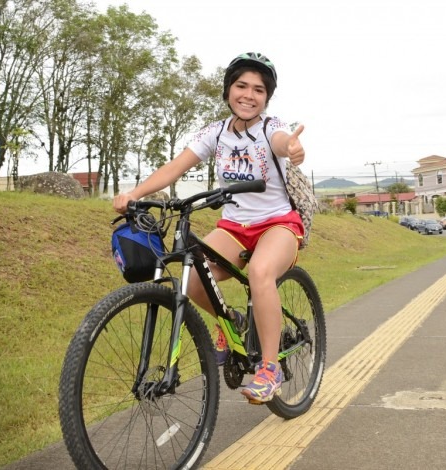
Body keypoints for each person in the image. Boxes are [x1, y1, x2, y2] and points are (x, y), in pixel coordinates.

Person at [113, 52, 305, 404]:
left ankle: (269, 367)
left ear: (267, 98)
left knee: (261, 272)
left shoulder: (270, 127)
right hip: (234, 226)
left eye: (258, 90)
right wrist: (134, 193)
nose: (248, 95)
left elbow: (282, 142)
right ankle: (229, 319)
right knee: (190, 275)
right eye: (241, 86)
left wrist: (291, 148)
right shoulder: (216, 132)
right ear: (229, 90)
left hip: (278, 224)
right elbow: (175, 167)